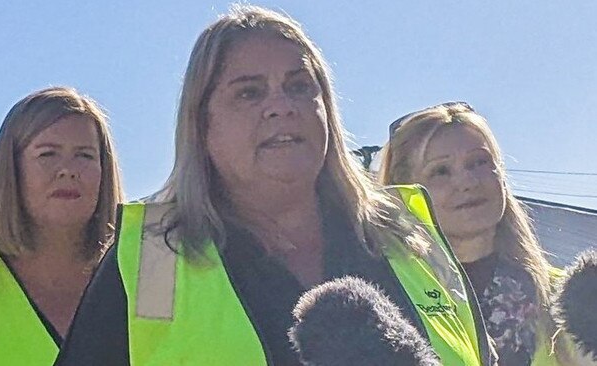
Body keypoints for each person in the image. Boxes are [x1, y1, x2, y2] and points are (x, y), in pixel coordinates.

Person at [56, 6, 494, 366]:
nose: (281, 107)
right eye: (249, 93)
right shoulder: (149, 259)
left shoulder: (412, 232)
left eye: (300, 86)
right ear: (203, 124)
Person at [376, 102, 570, 365]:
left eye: (479, 162)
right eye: (441, 171)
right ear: (405, 190)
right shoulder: (386, 292)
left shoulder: (570, 295)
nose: (468, 182)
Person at [0, 87, 124, 365]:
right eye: (48, 154)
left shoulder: (140, 284)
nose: (68, 169)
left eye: (85, 155)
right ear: (10, 170)